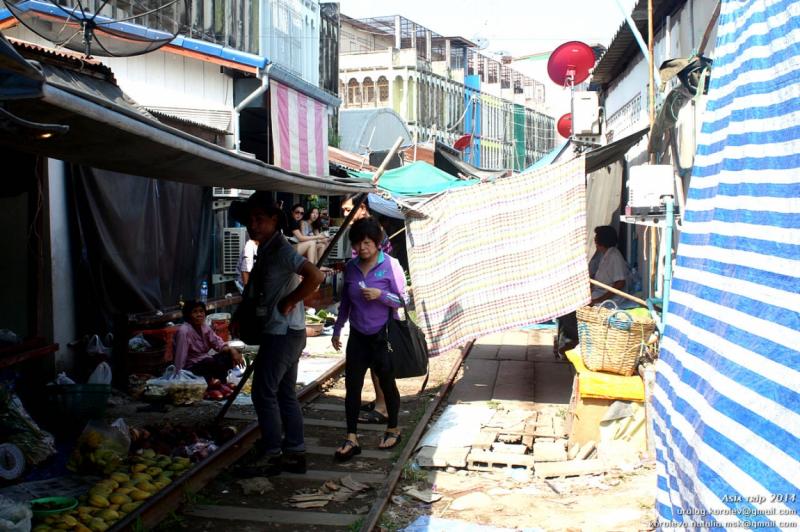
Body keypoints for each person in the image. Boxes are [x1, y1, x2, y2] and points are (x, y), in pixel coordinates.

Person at [233, 193, 325, 476]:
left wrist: (290, 300)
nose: (254, 224)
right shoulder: (265, 250)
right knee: (285, 393)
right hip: (284, 332)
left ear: (274, 220)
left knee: (263, 393)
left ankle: (272, 453)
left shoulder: (283, 251)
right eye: (250, 220)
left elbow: (315, 277)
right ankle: (295, 452)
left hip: (283, 332)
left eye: (260, 219)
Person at [331, 217, 405, 461]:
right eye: (357, 243)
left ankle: (393, 428)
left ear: (377, 243)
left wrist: (381, 294)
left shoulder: (390, 265)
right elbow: (346, 303)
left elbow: (402, 301)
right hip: (358, 336)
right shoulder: (351, 267)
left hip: (382, 335)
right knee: (352, 387)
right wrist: (337, 329)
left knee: (386, 383)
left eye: (366, 243)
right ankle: (351, 437)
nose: (361, 248)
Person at [340, 194, 394, 424]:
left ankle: (384, 408)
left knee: (381, 369)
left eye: (347, 210)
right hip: (359, 324)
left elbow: (399, 297)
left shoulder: (379, 243)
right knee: (364, 372)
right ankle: (379, 403)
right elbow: (345, 300)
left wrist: (380, 293)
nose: (345, 215)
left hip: (381, 325)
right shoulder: (356, 249)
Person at [557, 225, 631, 355]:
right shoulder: (604, 255)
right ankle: (570, 341)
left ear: (602, 240)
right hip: (597, 294)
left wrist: (598, 299)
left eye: (596, 238)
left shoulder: (614, 256)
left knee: (569, 313)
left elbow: (620, 283)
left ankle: (578, 341)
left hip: (609, 300)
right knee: (564, 307)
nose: (595, 241)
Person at [172, 300, 243, 382]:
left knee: (227, 356)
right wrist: (178, 377)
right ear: (188, 315)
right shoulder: (184, 331)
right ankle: (218, 382)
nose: (199, 315)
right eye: (195, 312)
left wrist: (232, 350)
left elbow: (218, 344)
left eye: (201, 311)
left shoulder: (204, 327)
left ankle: (220, 381)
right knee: (211, 363)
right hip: (192, 367)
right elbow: (180, 357)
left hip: (206, 361)